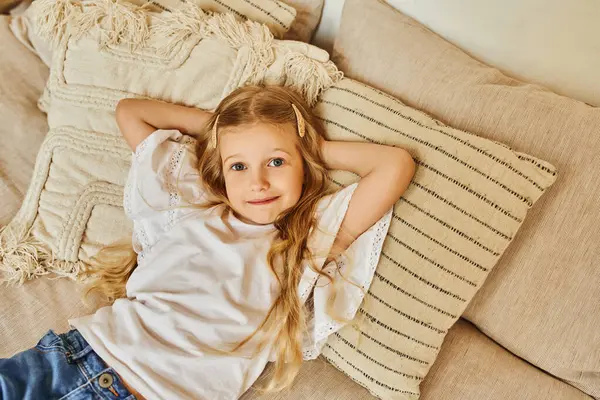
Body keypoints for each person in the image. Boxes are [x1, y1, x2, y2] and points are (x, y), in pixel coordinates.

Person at [0, 85, 415, 399]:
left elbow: (393, 164)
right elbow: (132, 114)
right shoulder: (190, 204)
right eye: (239, 165)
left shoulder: (307, 243)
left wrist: (310, 145)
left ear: (303, 164)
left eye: (276, 161)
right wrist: (222, 129)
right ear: (221, 170)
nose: (258, 182)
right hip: (69, 359)